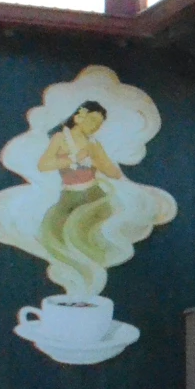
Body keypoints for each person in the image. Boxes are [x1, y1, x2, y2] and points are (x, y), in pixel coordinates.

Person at [35, 100, 123, 295]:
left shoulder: (93, 144)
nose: (95, 126)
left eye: (99, 123)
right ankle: (73, 283)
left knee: (87, 236)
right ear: (78, 117)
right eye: (92, 120)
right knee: (58, 233)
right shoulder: (60, 138)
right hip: (69, 195)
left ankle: (91, 284)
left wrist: (100, 161)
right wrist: (74, 158)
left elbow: (113, 172)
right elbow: (44, 165)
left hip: (93, 195)